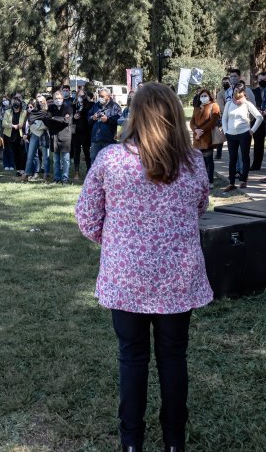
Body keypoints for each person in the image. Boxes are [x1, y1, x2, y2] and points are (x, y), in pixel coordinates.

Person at [75, 82, 212, 452]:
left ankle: (131, 442)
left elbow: (87, 218)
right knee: (173, 358)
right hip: (177, 277)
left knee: (132, 358)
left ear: (134, 114)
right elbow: (199, 208)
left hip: (127, 276)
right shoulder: (192, 161)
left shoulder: (111, 159)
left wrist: (120, 245)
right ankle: (173, 442)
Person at [220, 86, 262, 191]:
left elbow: (259, 117)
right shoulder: (229, 104)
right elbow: (224, 118)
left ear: (244, 93)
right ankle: (231, 183)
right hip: (231, 135)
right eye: (236, 91)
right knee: (232, 158)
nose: (237, 93)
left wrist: (252, 130)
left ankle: (244, 180)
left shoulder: (247, 104)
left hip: (244, 133)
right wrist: (225, 131)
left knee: (244, 157)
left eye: (240, 91)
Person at [190, 87, 221, 183]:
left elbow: (213, 121)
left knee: (208, 160)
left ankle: (210, 181)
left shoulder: (214, 105)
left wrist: (201, 131)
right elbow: (192, 121)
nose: (203, 97)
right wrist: (195, 130)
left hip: (208, 137)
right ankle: (201, 181)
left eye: (205, 96)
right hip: (197, 138)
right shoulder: (196, 108)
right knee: (199, 161)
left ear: (209, 96)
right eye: (202, 96)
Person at [45, 90, 72, 184]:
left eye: (60, 98)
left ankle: (65, 179)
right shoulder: (50, 108)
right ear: (53, 99)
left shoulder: (68, 108)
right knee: (56, 160)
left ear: (63, 98)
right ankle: (56, 178)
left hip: (65, 137)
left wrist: (54, 118)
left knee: (66, 159)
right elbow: (46, 120)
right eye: (56, 98)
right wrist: (59, 120)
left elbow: (67, 121)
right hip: (54, 137)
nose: (58, 100)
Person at [88, 88, 121, 163]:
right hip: (95, 139)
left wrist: (107, 120)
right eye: (99, 96)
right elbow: (88, 117)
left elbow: (119, 121)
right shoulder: (96, 106)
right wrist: (93, 118)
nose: (100, 98)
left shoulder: (115, 107)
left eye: (102, 96)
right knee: (94, 160)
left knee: (109, 162)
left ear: (108, 96)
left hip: (109, 140)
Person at [24, 94, 50, 181]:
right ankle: (26, 175)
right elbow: (30, 120)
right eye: (38, 102)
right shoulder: (34, 112)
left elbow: (48, 123)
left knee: (45, 157)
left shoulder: (48, 111)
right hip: (34, 134)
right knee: (30, 155)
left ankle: (46, 176)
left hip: (44, 135)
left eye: (41, 101)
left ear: (45, 102)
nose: (40, 103)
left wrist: (38, 124)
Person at [71, 90, 94, 180]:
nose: (80, 97)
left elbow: (90, 117)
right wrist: (74, 117)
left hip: (85, 133)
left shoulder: (89, 105)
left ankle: (89, 170)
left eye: (82, 95)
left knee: (86, 152)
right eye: (79, 95)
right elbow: (70, 115)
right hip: (76, 133)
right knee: (76, 152)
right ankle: (76, 172)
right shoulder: (74, 105)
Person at [2, 96, 27, 177]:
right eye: (14, 102)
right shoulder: (8, 112)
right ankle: (18, 170)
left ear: (20, 103)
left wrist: (21, 125)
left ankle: (23, 170)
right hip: (10, 136)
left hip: (21, 135)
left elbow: (26, 122)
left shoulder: (24, 112)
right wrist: (12, 126)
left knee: (22, 153)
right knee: (15, 153)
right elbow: (3, 123)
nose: (15, 103)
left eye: (17, 101)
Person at [251, 71, 266, 171]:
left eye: (264, 80)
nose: (262, 81)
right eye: (261, 80)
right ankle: (256, 164)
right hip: (258, 120)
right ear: (258, 80)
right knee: (258, 143)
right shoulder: (254, 91)